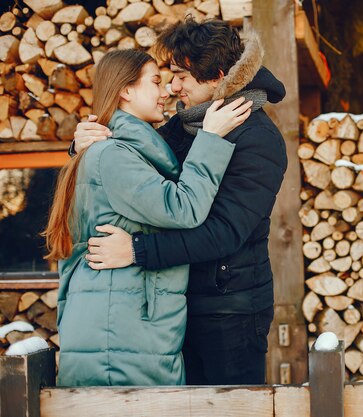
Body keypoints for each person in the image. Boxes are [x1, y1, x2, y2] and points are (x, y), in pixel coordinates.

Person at [72, 20, 288, 385]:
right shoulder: (186, 125)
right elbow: (131, 165)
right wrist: (84, 145)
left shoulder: (259, 139)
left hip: (228, 312)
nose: (173, 88)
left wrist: (138, 250)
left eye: (181, 76)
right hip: (177, 307)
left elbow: (224, 233)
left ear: (217, 76)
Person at [46, 48, 252, 386]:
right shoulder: (113, 155)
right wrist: (211, 138)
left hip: (129, 330)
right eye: (155, 81)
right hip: (117, 337)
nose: (167, 90)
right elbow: (183, 208)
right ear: (126, 91)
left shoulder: (130, 150)